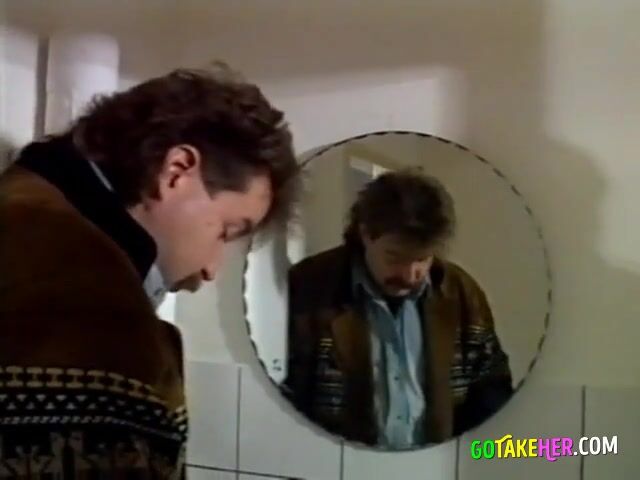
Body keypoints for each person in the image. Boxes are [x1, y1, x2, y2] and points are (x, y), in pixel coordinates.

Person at [0, 66, 299, 478]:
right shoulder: (90, 306)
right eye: (226, 231)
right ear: (177, 171)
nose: (210, 270)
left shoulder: (19, 212)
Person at [283, 169, 513, 449]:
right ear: (365, 234)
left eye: (422, 259)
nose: (410, 275)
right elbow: (285, 400)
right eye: (395, 257)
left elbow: (492, 392)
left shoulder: (461, 294)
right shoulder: (308, 287)